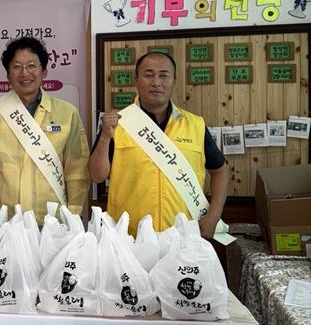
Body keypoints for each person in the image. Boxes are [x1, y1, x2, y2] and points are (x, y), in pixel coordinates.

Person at [88, 51, 229, 240]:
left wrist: (213, 217)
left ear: (174, 80)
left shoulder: (195, 125)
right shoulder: (119, 124)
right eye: (148, 75)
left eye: (164, 75)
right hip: (130, 238)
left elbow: (220, 171)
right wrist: (105, 137)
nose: (156, 82)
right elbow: (96, 176)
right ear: (136, 80)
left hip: (184, 237)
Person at [0, 36, 90, 225]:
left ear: (44, 72)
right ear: (8, 75)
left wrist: (73, 214)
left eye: (32, 66)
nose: (25, 73)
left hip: (51, 218)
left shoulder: (67, 112)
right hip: (4, 218)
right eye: (17, 67)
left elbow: (77, 168)